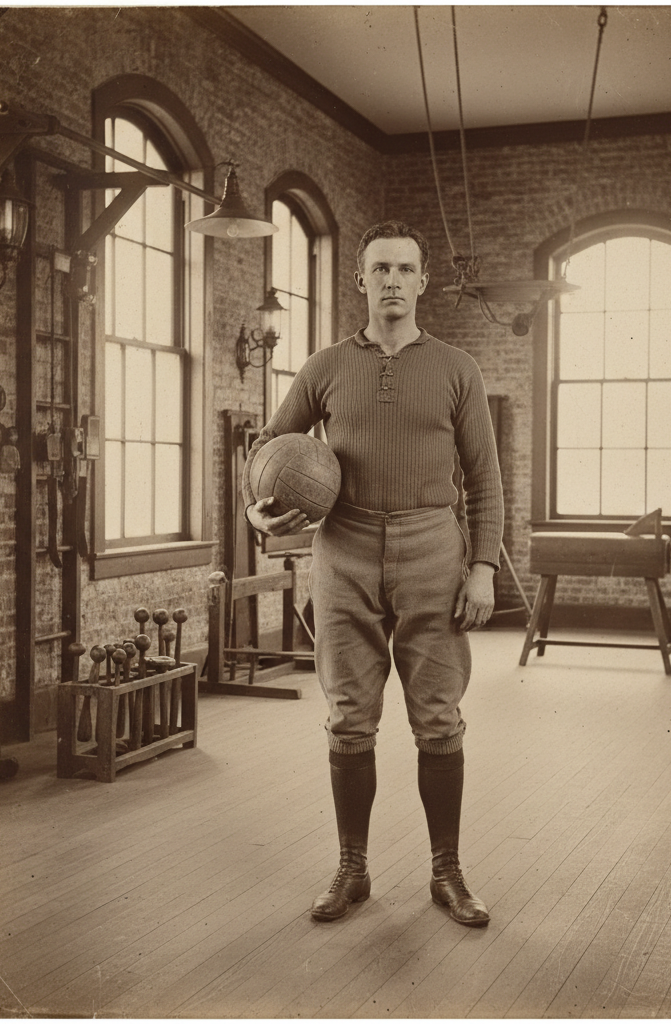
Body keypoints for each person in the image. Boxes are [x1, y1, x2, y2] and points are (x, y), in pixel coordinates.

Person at [244, 221, 504, 927]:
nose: (392, 280)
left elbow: (484, 478)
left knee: (438, 719)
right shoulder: (324, 367)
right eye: (380, 268)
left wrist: (481, 567)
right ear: (360, 281)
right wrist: (259, 512)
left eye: (405, 268)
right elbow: (269, 448)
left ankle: (446, 871)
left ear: (423, 281)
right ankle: (352, 868)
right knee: (349, 719)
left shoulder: (458, 369)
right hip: (344, 550)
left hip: (432, 551)